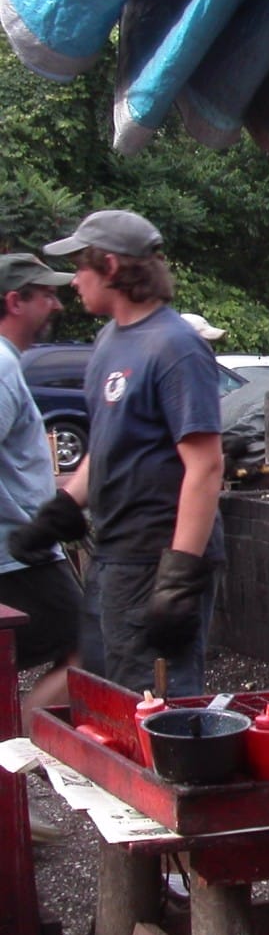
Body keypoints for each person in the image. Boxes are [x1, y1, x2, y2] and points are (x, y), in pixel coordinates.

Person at [9, 211, 225, 698]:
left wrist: (179, 577)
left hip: (157, 559)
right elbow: (107, 443)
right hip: (112, 556)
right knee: (99, 686)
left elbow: (206, 467)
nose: (73, 283)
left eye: (80, 267)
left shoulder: (177, 347)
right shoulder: (108, 342)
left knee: (155, 700)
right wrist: (64, 509)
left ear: (109, 266)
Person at [0, 254, 83, 734]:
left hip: (21, 546)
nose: (56, 303)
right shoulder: (3, 370)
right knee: (90, 649)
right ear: (15, 301)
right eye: (45, 294)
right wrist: (28, 523)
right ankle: (15, 751)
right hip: (18, 553)